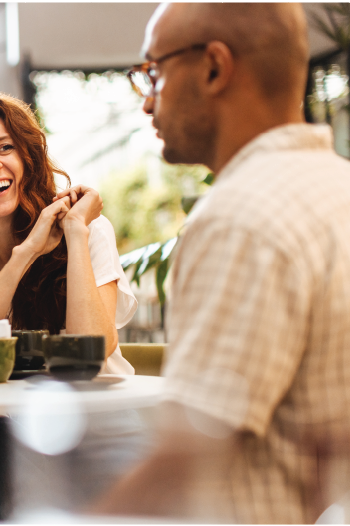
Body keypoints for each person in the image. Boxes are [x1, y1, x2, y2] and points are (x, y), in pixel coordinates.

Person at [95, 3, 350, 523]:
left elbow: (185, 464)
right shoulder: (337, 188)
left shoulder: (243, 218)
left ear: (214, 67)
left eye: (153, 73)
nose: (147, 104)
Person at [0, 91, 137, 374]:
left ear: (26, 158)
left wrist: (76, 233)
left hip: (98, 412)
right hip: (7, 414)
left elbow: (94, 348)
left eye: (5, 147)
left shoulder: (87, 226)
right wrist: (26, 253)